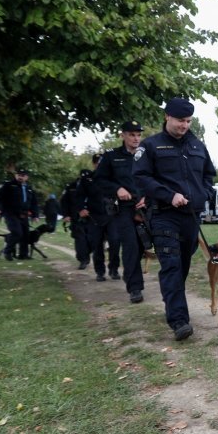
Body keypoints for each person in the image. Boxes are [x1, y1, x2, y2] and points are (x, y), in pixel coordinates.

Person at [133, 97, 216, 341]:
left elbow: (209, 176)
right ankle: (179, 320)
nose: (185, 125)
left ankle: (172, 299)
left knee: (183, 265)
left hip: (191, 217)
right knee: (171, 265)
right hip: (163, 215)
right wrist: (169, 195)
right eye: (181, 120)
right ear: (167, 117)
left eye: (189, 121)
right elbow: (140, 177)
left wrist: (205, 194)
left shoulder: (198, 146)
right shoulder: (151, 146)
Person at [95, 121, 147, 303]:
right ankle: (135, 287)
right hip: (123, 209)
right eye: (132, 134)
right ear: (123, 135)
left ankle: (130, 274)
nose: (136, 138)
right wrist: (117, 189)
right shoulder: (111, 157)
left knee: (143, 246)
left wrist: (147, 196)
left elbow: (157, 179)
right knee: (131, 245)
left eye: (138, 135)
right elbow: (99, 180)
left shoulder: (147, 155)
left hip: (145, 208)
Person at [77, 154, 120, 282]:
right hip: (94, 216)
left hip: (112, 214)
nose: (99, 165)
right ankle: (100, 272)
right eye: (97, 163)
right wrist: (81, 209)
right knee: (97, 245)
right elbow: (78, 196)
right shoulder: (88, 179)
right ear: (94, 164)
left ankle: (114, 269)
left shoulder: (113, 177)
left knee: (115, 242)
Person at [0, 168, 39, 260]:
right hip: (10, 213)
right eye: (18, 175)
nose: (20, 177)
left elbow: (34, 203)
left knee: (25, 235)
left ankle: (23, 255)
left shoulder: (29, 189)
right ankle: (7, 251)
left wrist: (35, 215)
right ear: (15, 175)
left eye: (22, 175)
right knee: (17, 233)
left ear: (26, 177)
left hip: (24, 214)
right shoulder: (8, 185)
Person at [60, 169, 92, 269]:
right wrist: (66, 215)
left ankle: (84, 255)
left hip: (92, 217)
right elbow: (64, 202)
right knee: (80, 238)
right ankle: (83, 259)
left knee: (92, 239)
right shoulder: (71, 187)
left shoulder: (94, 185)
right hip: (76, 217)